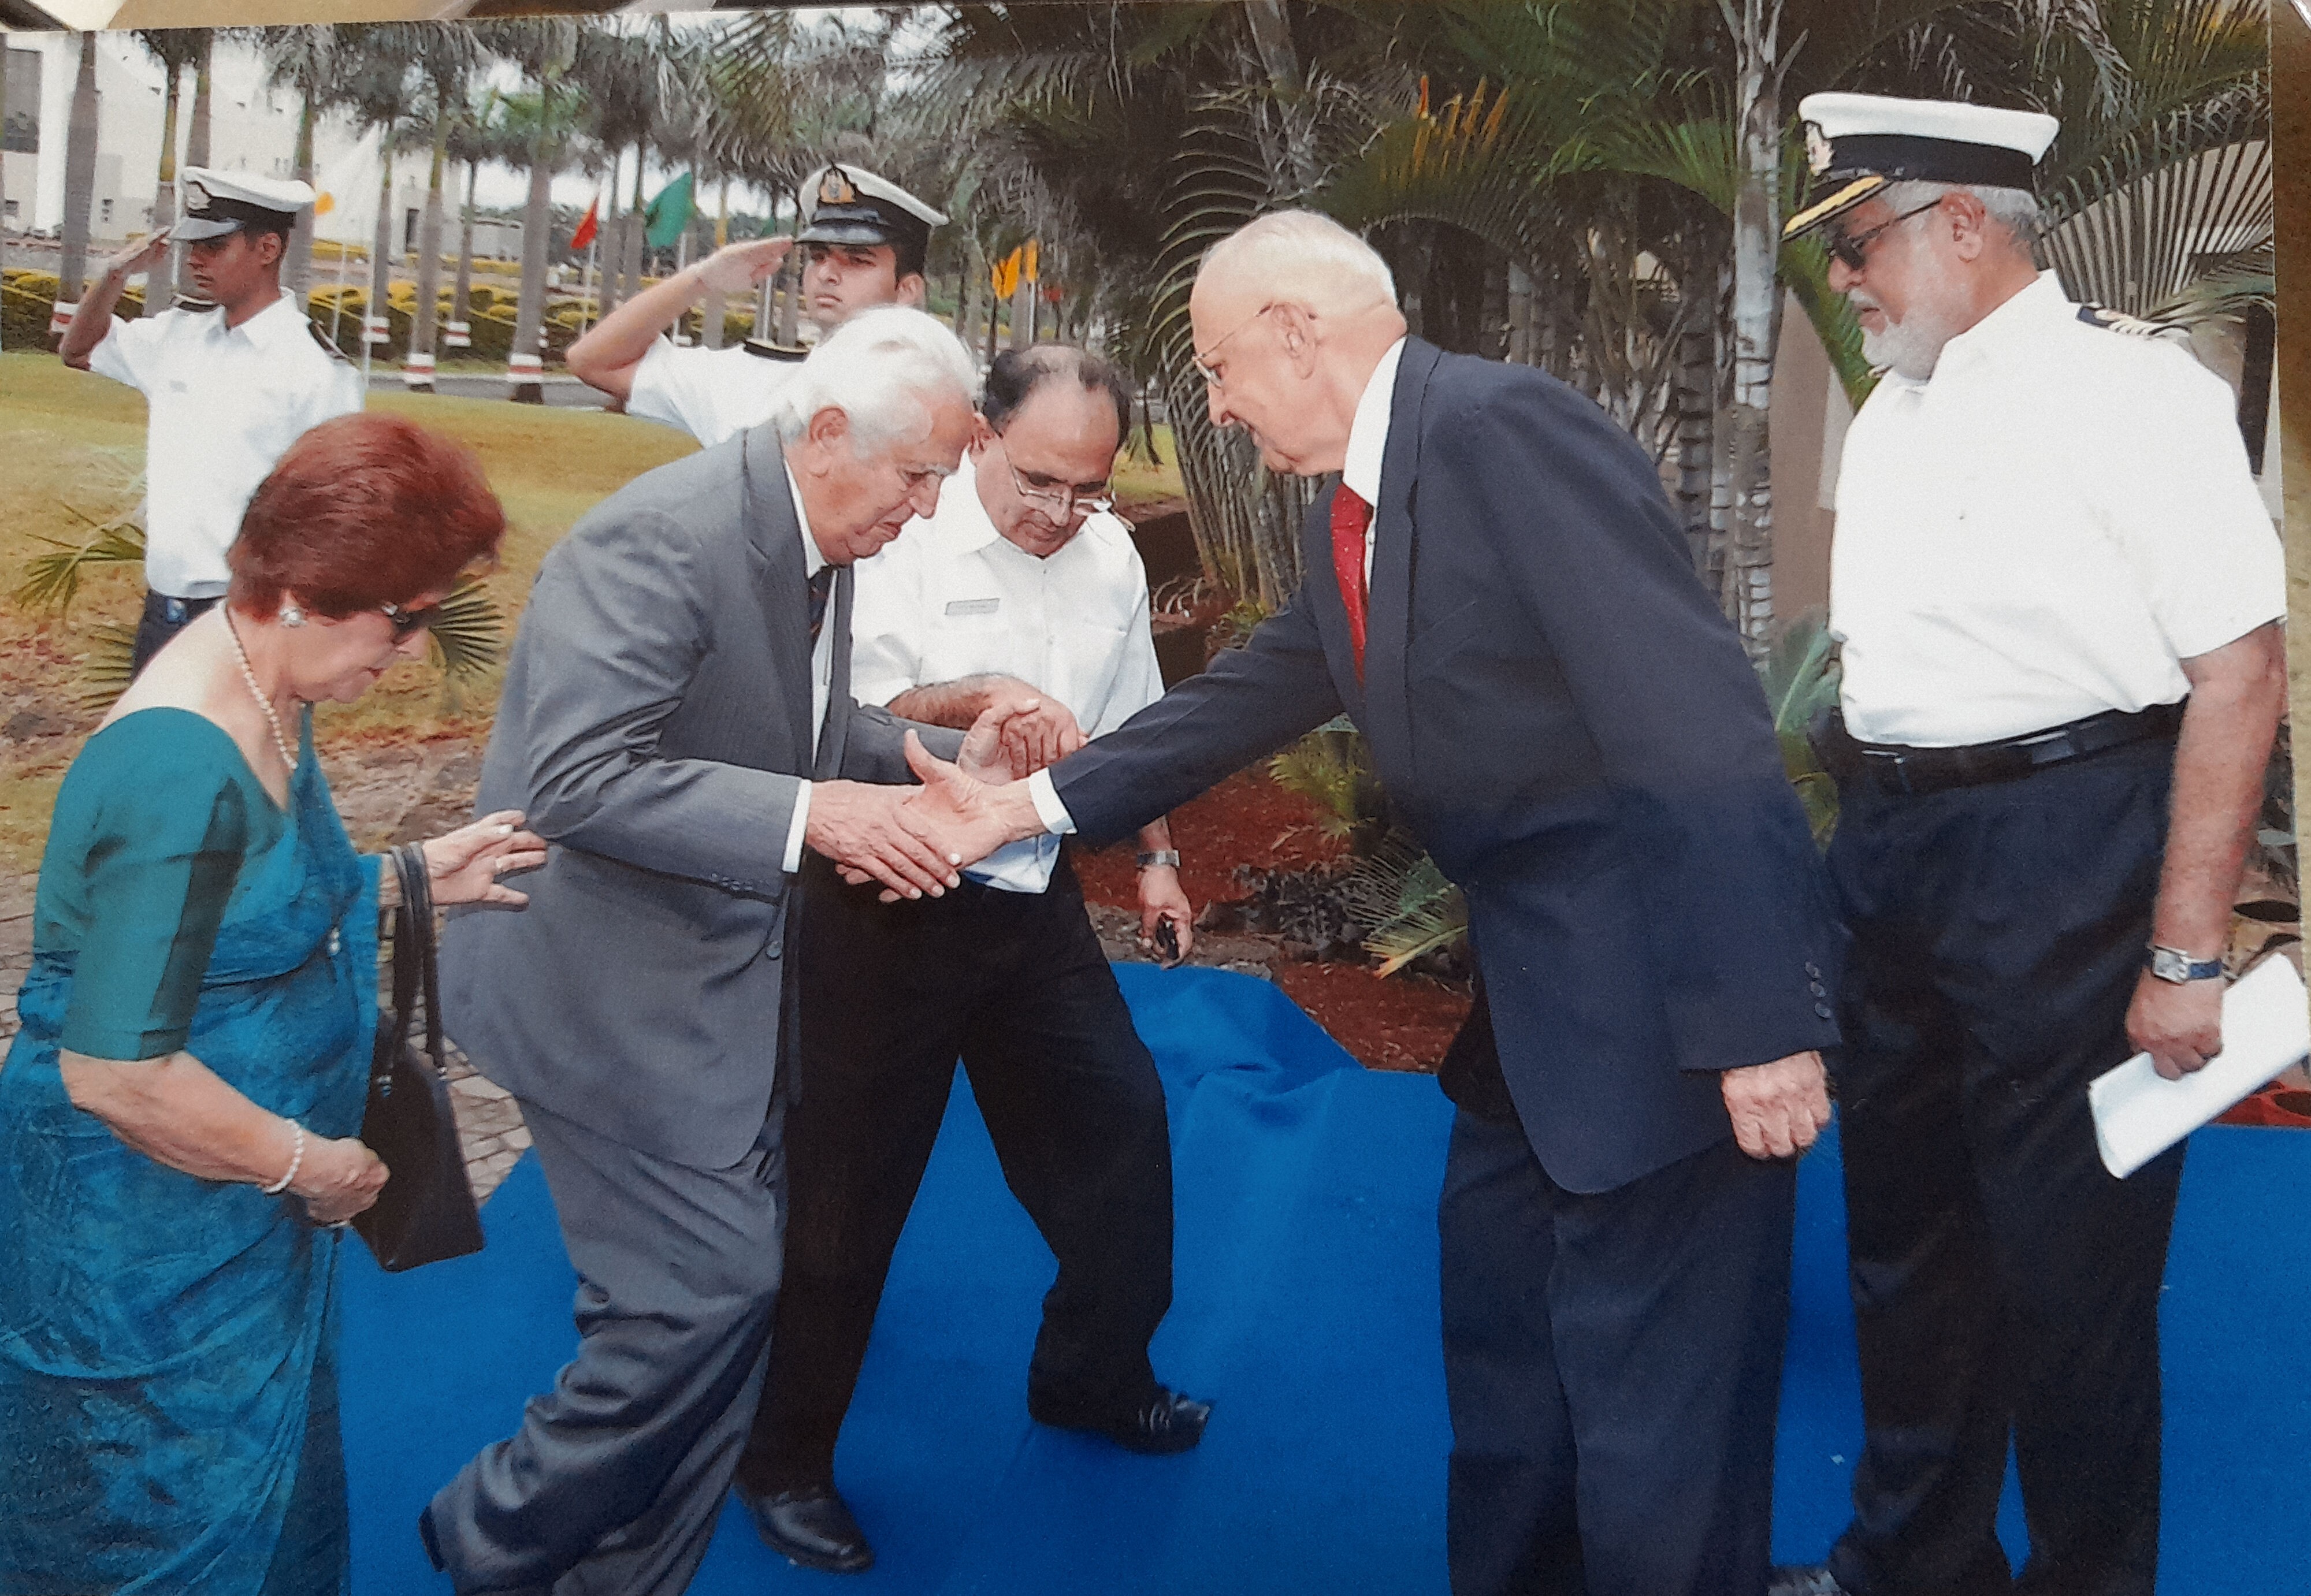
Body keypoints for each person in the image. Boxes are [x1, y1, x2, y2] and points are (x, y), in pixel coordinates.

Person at [888, 210, 1844, 1596]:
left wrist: (1759, 1019)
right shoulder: (1352, 501)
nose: (1216, 405)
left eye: (1217, 366)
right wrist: (1020, 806)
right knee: (1506, 1366)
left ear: (1296, 331)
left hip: (1664, 1014)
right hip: (1528, 1014)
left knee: (1660, 1428)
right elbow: (1249, 692)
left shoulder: (1504, 432)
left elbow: (1692, 721)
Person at [421, 307, 1036, 1596]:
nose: (929, 507)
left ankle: (618, 1577)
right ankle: (494, 1533)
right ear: (828, 432)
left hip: (713, 990)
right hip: (599, 989)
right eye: (918, 474)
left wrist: (931, 759)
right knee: (709, 1292)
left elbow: (781, 724)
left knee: (711, 1308)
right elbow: (576, 779)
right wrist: (817, 816)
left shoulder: (815, 527)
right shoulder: (662, 535)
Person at [1766, 94, 2288, 1596]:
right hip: (1895, 851)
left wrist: (2185, 954)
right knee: (1903, 1236)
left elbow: (2239, 673)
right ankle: (1914, 1560)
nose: (1843, 279)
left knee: (2073, 1269)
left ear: (1964, 223)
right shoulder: (1897, 405)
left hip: (2063, 853)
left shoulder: (2137, 395)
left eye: (1860, 242)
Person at [0, 412, 541, 1594]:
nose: (411, 652)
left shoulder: (266, 674)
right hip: (144, 1240)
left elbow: (230, 904)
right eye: (403, 618)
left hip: (234, 1210)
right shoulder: (178, 763)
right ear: (302, 592)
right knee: (154, 1527)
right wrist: (309, 1164)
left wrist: (403, 876)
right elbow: (116, 1070)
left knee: (272, 1495)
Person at [734, 345, 1205, 1573]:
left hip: (1028, 903)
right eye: (1038, 480)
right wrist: (978, 698)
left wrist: (1157, 858)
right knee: (845, 1200)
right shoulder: (900, 534)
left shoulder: (1109, 556)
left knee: (1122, 1132)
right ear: (984, 437)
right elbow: (839, 718)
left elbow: (1139, 730)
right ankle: (783, 1460)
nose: (1060, 512)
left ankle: (1091, 1376)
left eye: (1088, 489)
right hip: (884, 898)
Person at [59, 167, 365, 676]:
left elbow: (339, 509)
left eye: (214, 246)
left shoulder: (313, 368)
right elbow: (78, 350)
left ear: (268, 248)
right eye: (191, 246)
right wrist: (114, 275)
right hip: (164, 611)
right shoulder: (178, 336)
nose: (195, 260)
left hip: (252, 615)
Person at [566, 162, 946, 449]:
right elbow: (593, 361)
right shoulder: (747, 380)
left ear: (906, 290)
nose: (827, 273)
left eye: (857, 261)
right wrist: (700, 280)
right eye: (818, 256)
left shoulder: (936, 403)